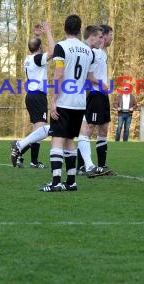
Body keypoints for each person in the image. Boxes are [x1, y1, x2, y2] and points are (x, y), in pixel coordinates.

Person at [39, 15, 99, 192]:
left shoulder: (61, 47)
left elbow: (59, 75)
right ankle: (71, 181)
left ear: (65, 29)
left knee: (57, 140)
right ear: (80, 30)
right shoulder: (88, 51)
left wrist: (54, 100)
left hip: (64, 101)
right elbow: (88, 77)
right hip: (80, 103)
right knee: (69, 142)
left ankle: (56, 182)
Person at [10, 22, 55, 169]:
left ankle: (31, 159)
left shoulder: (28, 59)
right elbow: (53, 52)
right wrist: (47, 32)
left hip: (30, 96)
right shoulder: (38, 59)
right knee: (42, 131)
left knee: (38, 131)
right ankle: (19, 147)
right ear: (40, 48)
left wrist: (36, 36)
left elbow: (32, 46)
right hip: (38, 97)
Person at [76, 24, 115, 177]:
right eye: (110, 35)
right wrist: (102, 84)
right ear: (104, 36)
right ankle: (81, 166)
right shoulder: (93, 53)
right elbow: (88, 76)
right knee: (88, 129)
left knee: (104, 129)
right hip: (95, 94)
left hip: (103, 96)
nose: (112, 38)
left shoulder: (103, 53)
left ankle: (101, 166)